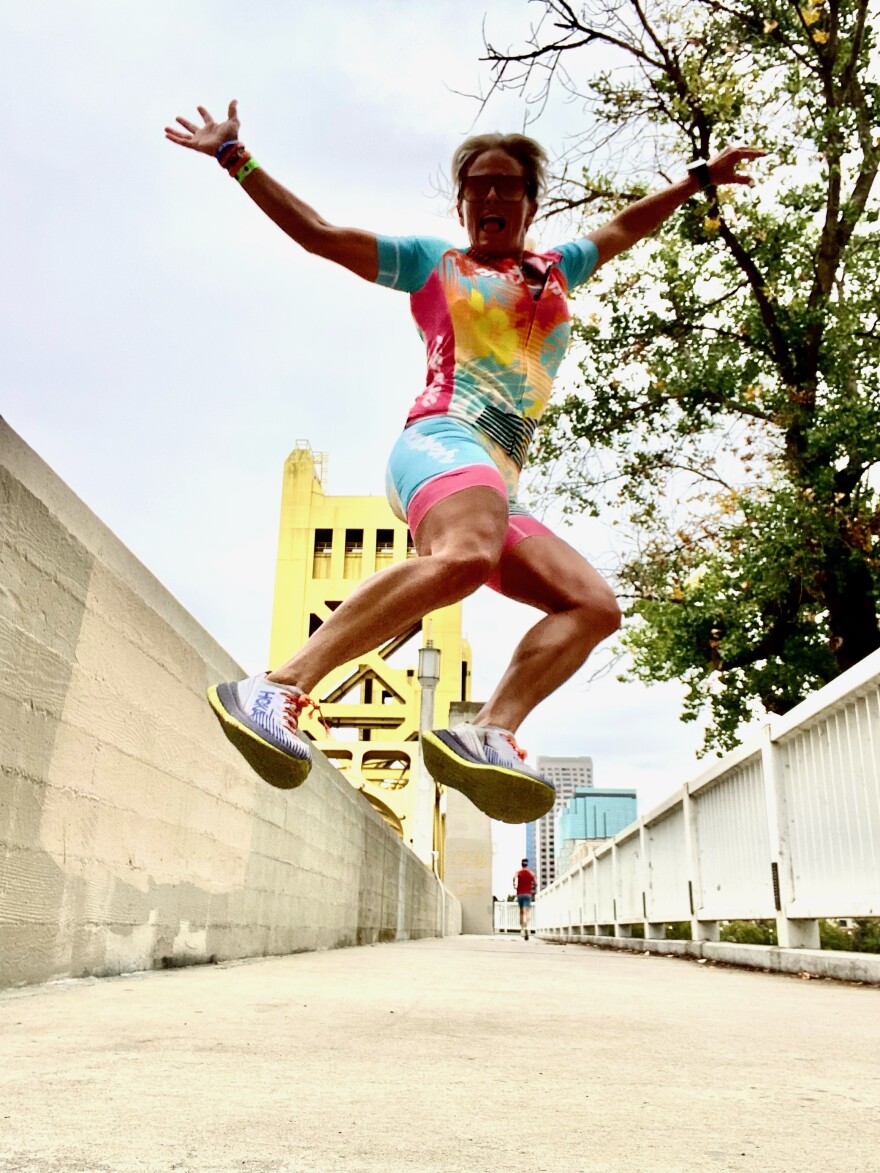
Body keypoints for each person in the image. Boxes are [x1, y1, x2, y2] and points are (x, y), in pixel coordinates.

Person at [166, 100, 763, 824]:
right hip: (442, 440)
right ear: (461, 206)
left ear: (529, 204)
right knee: (469, 553)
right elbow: (319, 235)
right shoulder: (434, 264)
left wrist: (697, 180)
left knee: (591, 606)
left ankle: (489, 728)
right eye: (477, 186)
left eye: (506, 186)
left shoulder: (559, 267)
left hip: (497, 481)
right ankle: (277, 686)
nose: (491, 197)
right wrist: (237, 157)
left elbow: (626, 225)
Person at [514, 858, 537, 940]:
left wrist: (514, 886)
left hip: (520, 894)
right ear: (527, 864)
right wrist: (531, 886)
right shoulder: (531, 873)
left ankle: (522, 929)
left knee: (521, 912)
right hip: (528, 894)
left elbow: (514, 878)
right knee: (527, 913)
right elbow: (536, 884)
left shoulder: (518, 872)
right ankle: (526, 926)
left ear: (521, 864)